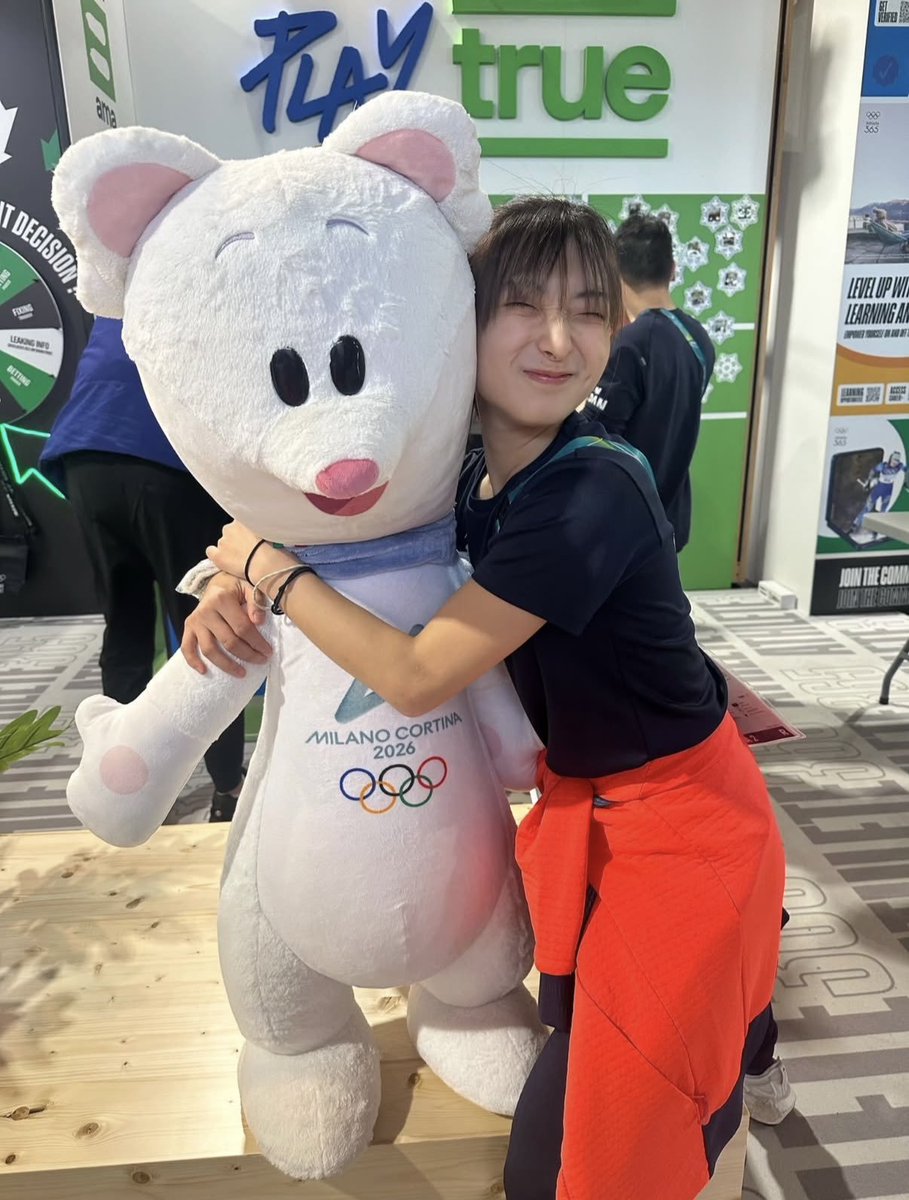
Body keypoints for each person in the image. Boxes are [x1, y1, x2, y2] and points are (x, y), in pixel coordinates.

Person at [181, 198, 789, 1199]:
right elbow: (351, 537)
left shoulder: (589, 493)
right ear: (462, 324)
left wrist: (272, 575)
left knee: (576, 1153)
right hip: (595, 803)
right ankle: (751, 1044)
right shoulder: (477, 475)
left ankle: (747, 1055)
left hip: (683, 825)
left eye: (588, 311)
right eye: (524, 307)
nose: (558, 340)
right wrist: (226, 582)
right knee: (628, 1021)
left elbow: (418, 672)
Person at [41, 316, 246, 822]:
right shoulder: (212, 291)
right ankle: (227, 788)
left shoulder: (123, 294)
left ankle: (125, 788)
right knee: (209, 627)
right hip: (162, 457)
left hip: (85, 457)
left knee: (126, 626)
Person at [586, 214, 715, 553]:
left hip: (624, 524)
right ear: (673, 269)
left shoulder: (631, 344)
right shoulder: (699, 338)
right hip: (669, 518)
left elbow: (597, 437)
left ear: (615, 273)